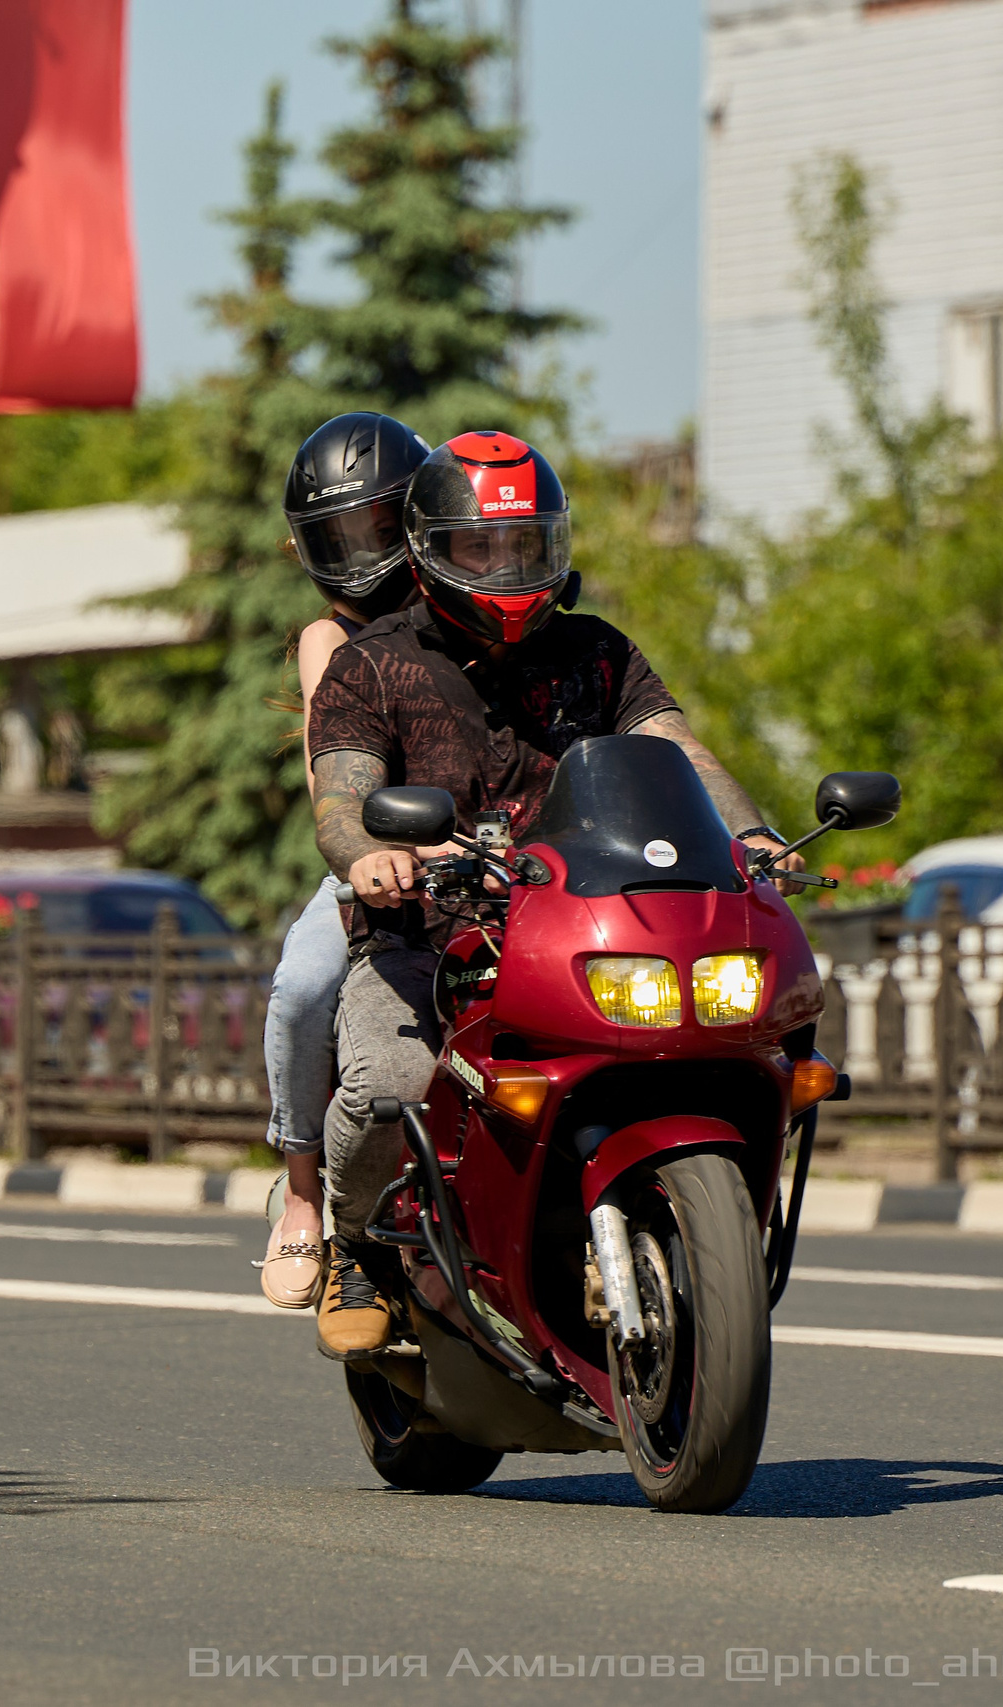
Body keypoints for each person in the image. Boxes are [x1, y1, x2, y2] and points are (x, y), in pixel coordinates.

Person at [303, 430, 795, 1356]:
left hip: (580, 927)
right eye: (477, 546)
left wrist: (754, 834)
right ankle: (356, 1246)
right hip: (428, 936)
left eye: (522, 545)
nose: (503, 567)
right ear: (427, 551)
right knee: (386, 1087)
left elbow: (676, 748)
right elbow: (339, 795)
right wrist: (368, 851)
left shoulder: (599, 652)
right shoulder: (368, 664)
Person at [256, 412, 431, 1310]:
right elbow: (339, 789)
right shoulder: (330, 640)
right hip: (371, 865)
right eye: (340, 537)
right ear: (306, 549)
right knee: (302, 986)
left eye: (379, 527)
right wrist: (382, 846)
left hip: (496, 865)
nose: (362, 554)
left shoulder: (461, 616)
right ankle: (301, 1191)